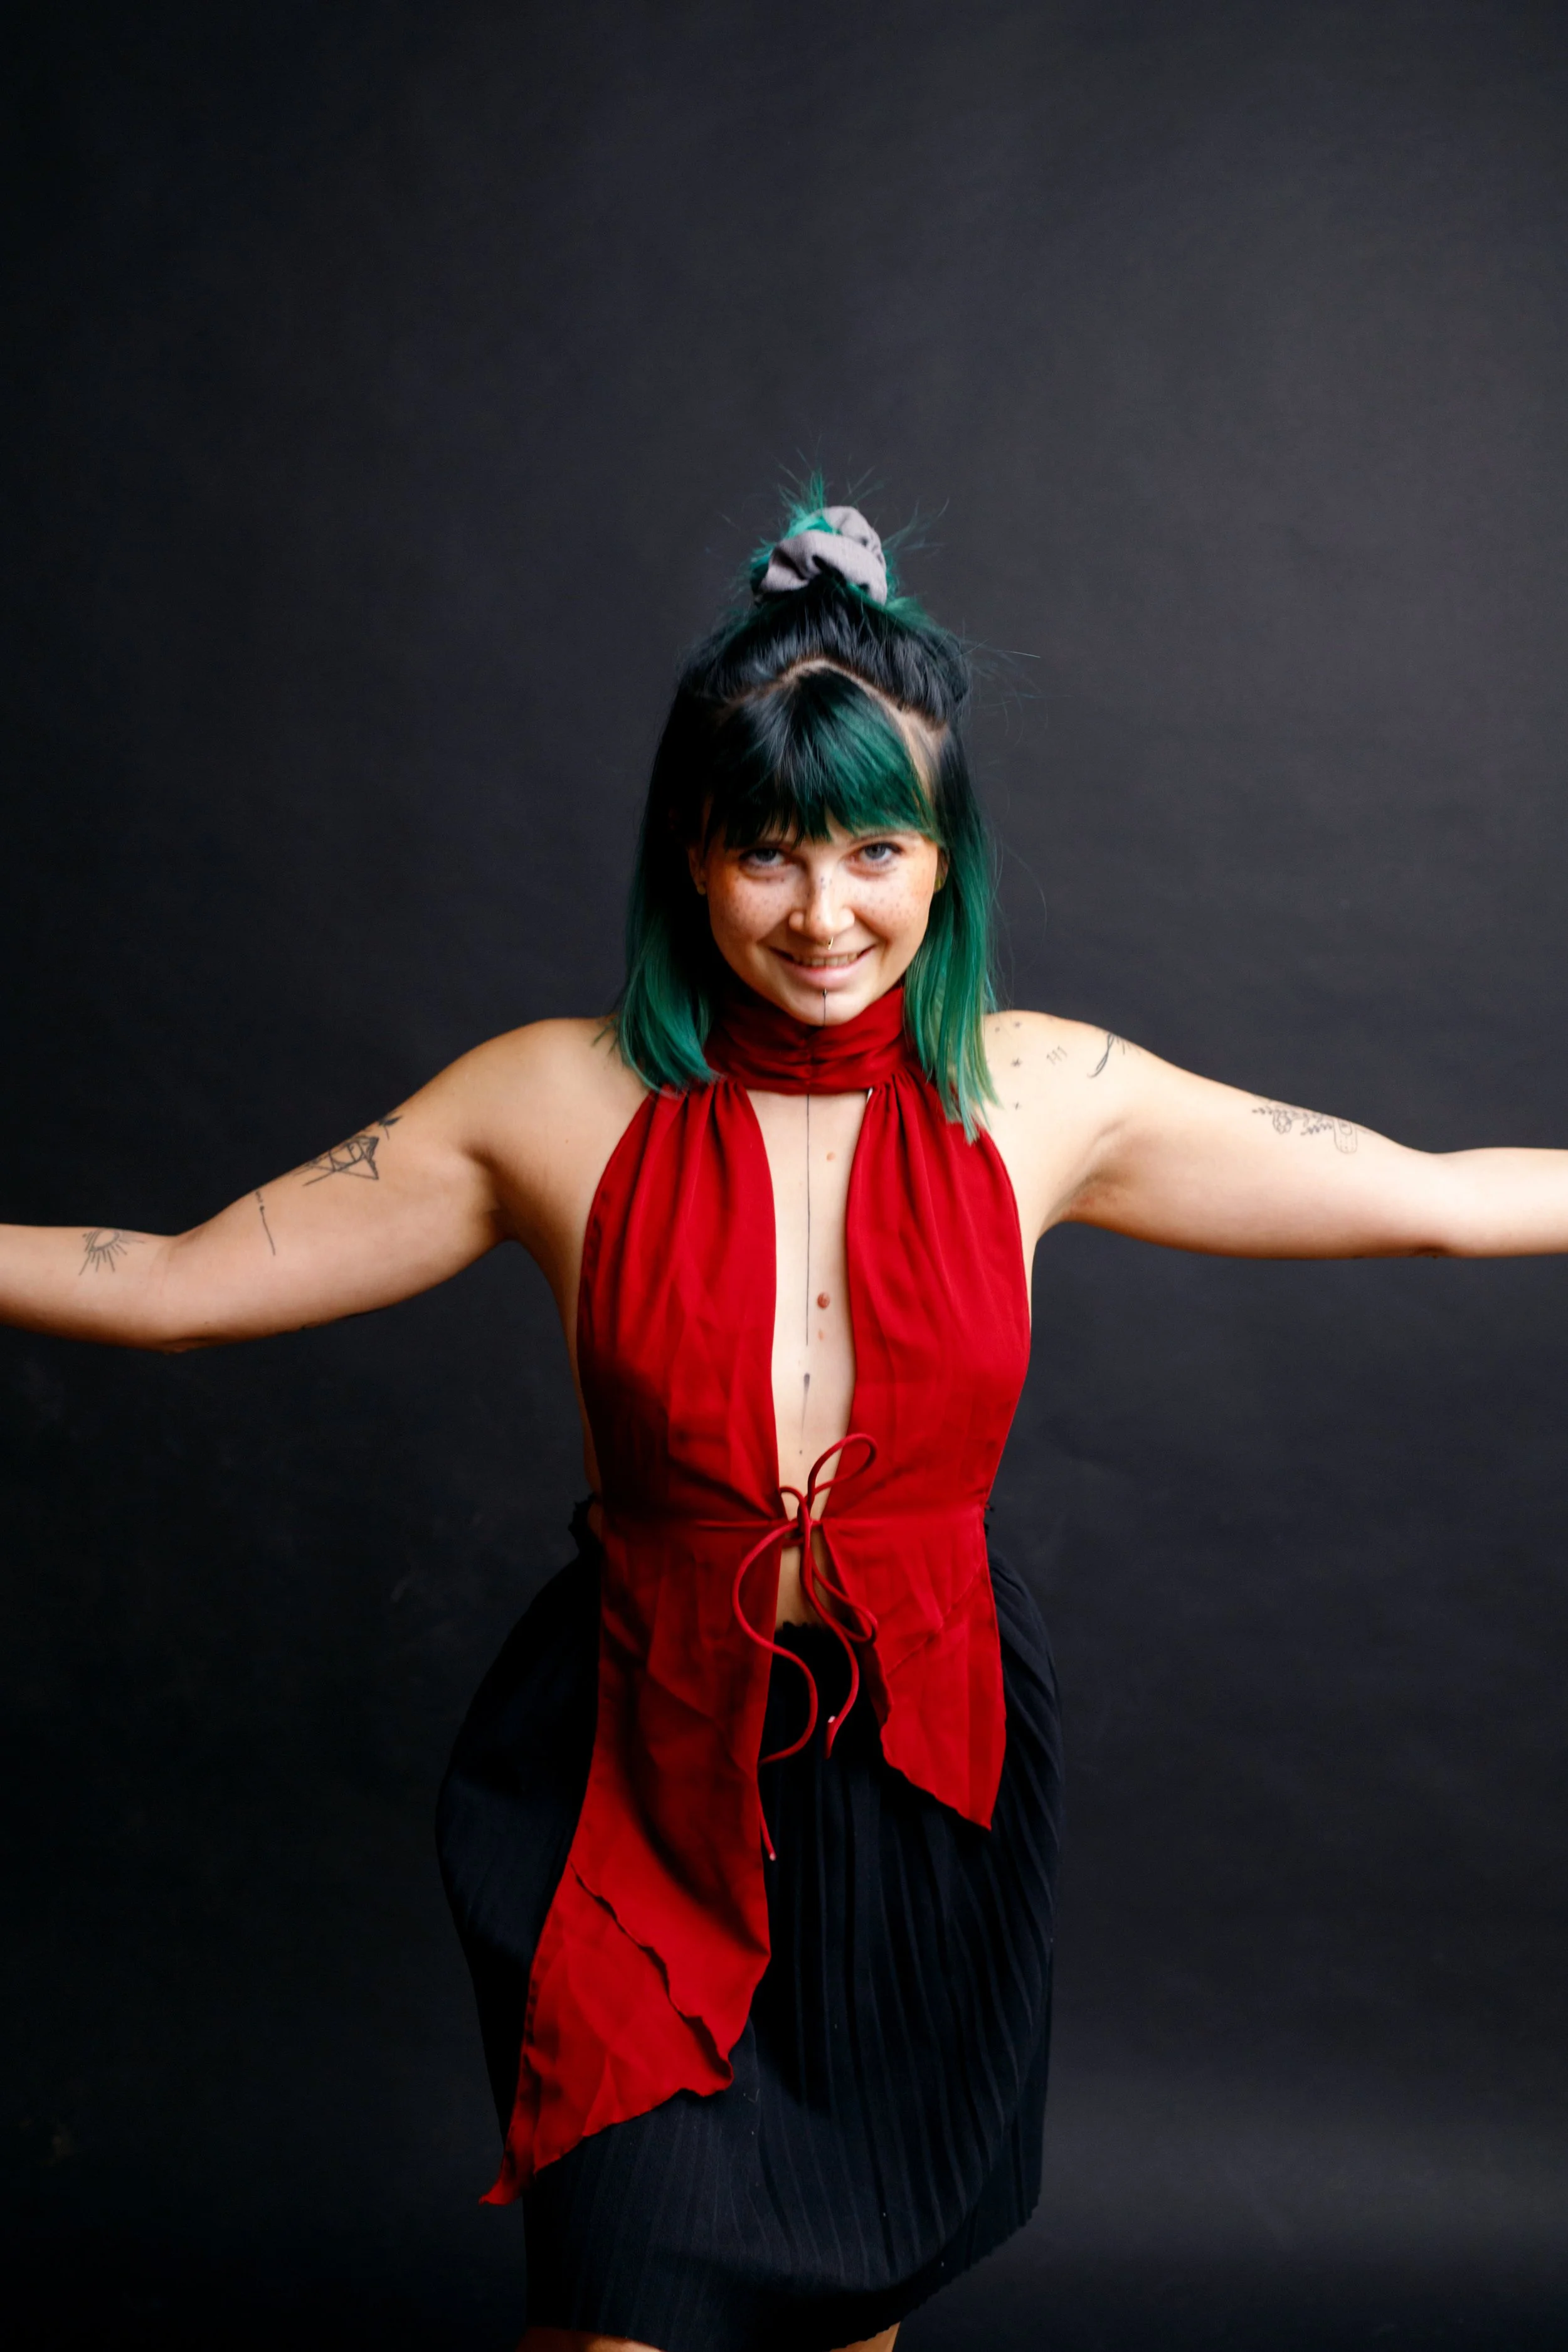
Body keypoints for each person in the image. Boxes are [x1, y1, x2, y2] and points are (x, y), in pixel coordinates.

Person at [6, 494, 1568, 2352]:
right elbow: (173, 1280)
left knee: (847, 2313)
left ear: (943, 858)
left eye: (874, 851)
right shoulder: (549, 1101)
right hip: (637, 1760)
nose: (825, 914)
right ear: (694, 855)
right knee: (617, 2307)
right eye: (768, 853)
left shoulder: (1044, 1091)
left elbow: (1437, 1197)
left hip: (924, 1767)